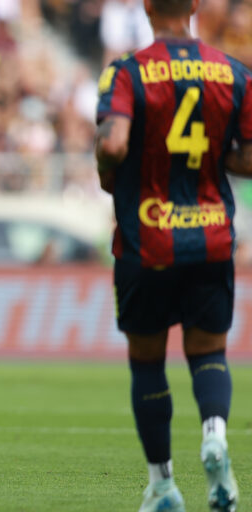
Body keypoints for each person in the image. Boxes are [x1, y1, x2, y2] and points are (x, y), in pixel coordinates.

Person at [95, 0, 251, 510]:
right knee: (209, 353)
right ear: (195, 8)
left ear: (146, 7)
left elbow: (115, 145)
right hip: (211, 237)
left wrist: (105, 168)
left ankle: (163, 485)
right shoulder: (234, 73)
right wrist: (219, 158)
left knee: (148, 364)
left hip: (148, 238)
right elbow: (247, 158)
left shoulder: (126, 72)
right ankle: (214, 435)